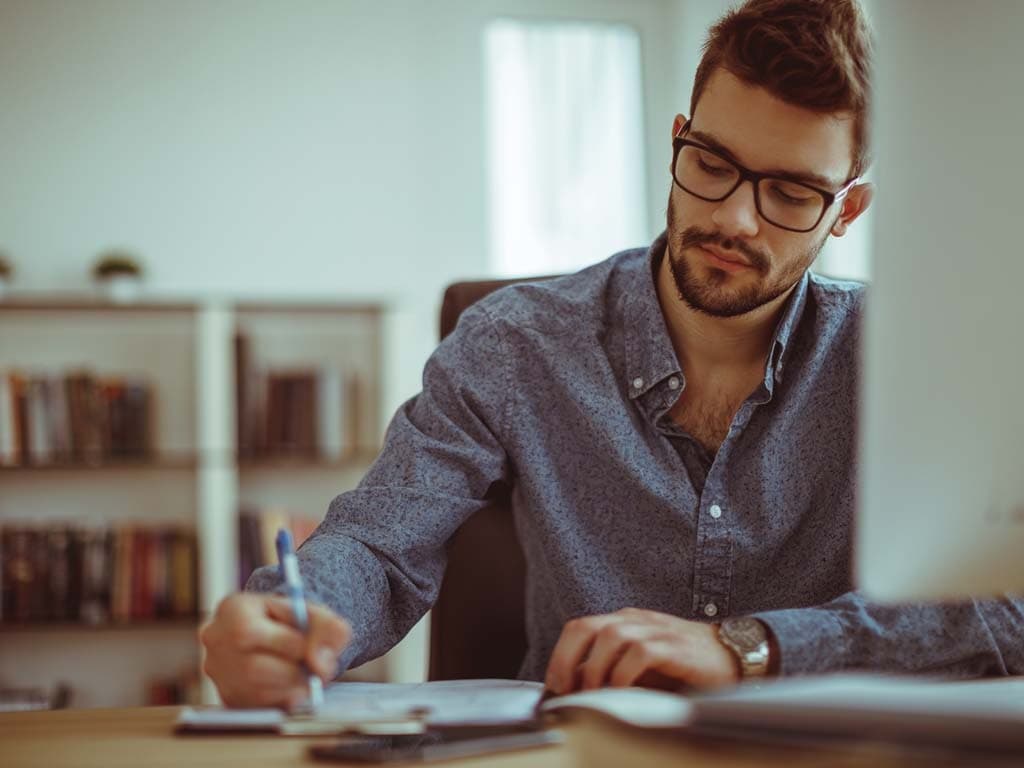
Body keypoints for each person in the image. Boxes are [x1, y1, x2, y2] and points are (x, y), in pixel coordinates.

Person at [200, 0, 1024, 709]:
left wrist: (751, 648)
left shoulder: (910, 361)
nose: (735, 219)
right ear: (678, 141)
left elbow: (1007, 606)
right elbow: (382, 545)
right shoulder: (515, 342)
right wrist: (287, 620)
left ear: (847, 210)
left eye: (789, 192)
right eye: (712, 164)